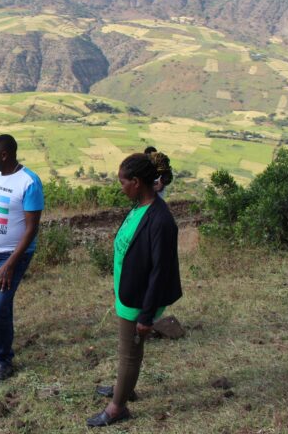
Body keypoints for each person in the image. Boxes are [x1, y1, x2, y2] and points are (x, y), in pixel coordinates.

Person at [87, 152, 182, 427]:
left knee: (130, 352)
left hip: (140, 300)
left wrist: (146, 315)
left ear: (137, 182)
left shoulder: (161, 220)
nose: (121, 187)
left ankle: (118, 407)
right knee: (126, 349)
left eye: (123, 182)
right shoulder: (141, 206)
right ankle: (124, 388)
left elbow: (159, 272)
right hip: (128, 293)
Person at [0, 134, 44, 380]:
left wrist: (10, 264)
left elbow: (31, 229)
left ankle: (4, 359)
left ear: (4, 155)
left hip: (13, 257)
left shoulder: (29, 182)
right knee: (0, 307)